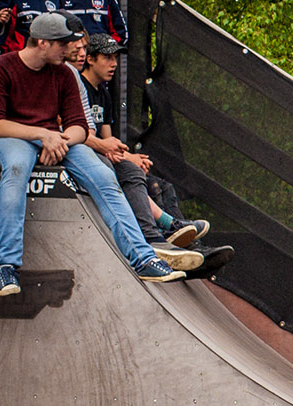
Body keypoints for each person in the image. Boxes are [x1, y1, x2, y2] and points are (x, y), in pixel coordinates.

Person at [0, 10, 184, 295]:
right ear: (42, 43)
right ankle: (7, 266)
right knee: (16, 168)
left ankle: (143, 258)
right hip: (13, 136)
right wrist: (43, 135)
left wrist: (59, 140)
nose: (71, 50)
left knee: (103, 175)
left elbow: (78, 125)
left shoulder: (64, 74)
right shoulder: (0, 68)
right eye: (64, 44)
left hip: (57, 138)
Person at [69, 34, 215, 272]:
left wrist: (126, 155)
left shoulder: (103, 94)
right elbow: (87, 137)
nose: (114, 64)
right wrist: (128, 158)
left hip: (103, 153)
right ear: (90, 59)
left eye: (116, 58)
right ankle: (157, 236)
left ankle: (188, 244)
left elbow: (109, 140)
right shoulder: (78, 85)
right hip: (85, 156)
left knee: (161, 186)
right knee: (132, 173)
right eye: (107, 58)